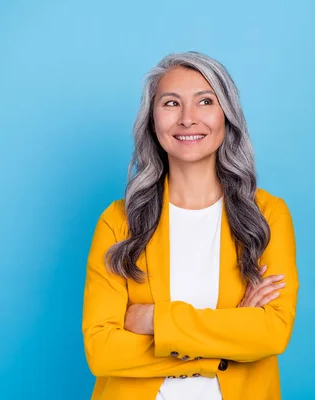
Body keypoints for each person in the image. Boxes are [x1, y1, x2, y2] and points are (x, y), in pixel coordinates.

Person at [82, 51, 299, 400]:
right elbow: (101, 350)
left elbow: (272, 332)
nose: (188, 119)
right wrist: (226, 342)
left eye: (205, 101)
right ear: (152, 120)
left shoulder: (267, 215)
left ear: (227, 116)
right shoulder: (118, 221)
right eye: (171, 103)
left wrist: (155, 321)